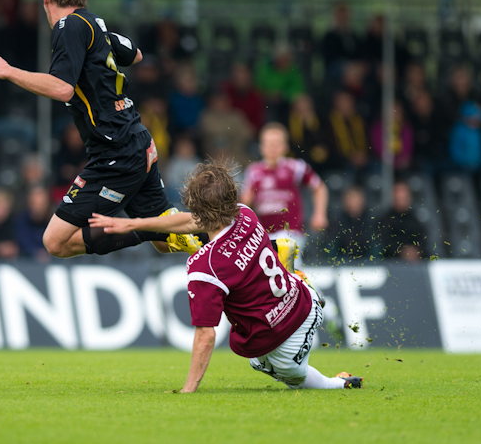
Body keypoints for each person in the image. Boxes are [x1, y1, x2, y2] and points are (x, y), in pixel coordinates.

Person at [0, 0, 200, 258]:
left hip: (116, 154)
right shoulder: (94, 24)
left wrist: (10, 71)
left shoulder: (68, 26)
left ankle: (146, 227)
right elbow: (135, 54)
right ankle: (252, 242)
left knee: (55, 241)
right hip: (136, 141)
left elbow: (61, 88)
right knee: (167, 240)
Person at [88, 161, 364, 392]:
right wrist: (135, 223)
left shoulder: (204, 266)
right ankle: (302, 279)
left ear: (197, 207)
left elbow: (206, 335)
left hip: (285, 329)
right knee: (258, 349)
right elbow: (189, 220)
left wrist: (188, 389)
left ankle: (337, 385)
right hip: (300, 298)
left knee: (290, 375)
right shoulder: (246, 213)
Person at [241, 122, 328, 261]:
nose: (272, 148)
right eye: (269, 143)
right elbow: (246, 201)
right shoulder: (253, 171)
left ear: (285, 147)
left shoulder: (296, 167)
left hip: (291, 233)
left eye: (277, 143)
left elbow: (319, 187)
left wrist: (319, 214)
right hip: (263, 235)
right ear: (261, 147)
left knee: (285, 264)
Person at [374, 181, 425, 262]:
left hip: (416, 263)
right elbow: (383, 244)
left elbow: (424, 241)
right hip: (391, 263)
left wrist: (416, 251)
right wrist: (402, 251)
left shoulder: (417, 219)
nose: (402, 196)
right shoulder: (385, 220)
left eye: (404, 193)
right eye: (399, 193)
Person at [14, 185, 53, 261]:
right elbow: (22, 242)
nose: (37, 208)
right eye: (34, 204)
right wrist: (36, 252)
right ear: (28, 203)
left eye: (41, 205)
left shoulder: (56, 222)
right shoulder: (21, 221)